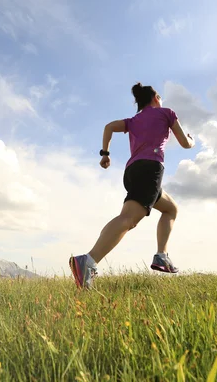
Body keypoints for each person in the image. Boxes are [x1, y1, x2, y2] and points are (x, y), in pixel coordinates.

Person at [69, 82, 195, 289]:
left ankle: (161, 256)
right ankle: (88, 261)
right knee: (128, 219)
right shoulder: (166, 113)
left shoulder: (133, 120)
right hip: (150, 169)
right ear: (155, 98)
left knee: (170, 208)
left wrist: (105, 155)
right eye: (160, 97)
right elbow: (184, 143)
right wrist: (192, 140)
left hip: (133, 171)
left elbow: (109, 127)